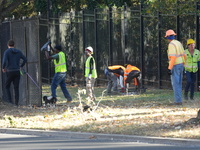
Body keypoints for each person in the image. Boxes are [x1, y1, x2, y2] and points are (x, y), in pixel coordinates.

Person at [2, 39, 27, 106]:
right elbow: (25, 59)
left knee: (7, 86)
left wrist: (3, 68)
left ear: (8, 45)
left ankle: (10, 102)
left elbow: (4, 61)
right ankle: (16, 103)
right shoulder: (18, 52)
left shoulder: (6, 52)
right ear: (14, 45)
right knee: (16, 87)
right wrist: (21, 66)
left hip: (9, 71)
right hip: (17, 71)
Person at [165, 29, 186, 105]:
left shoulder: (171, 45)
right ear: (174, 35)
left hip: (175, 65)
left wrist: (169, 68)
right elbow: (184, 54)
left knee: (175, 83)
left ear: (167, 37)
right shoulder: (178, 43)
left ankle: (178, 101)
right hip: (181, 64)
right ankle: (179, 99)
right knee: (179, 83)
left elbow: (173, 57)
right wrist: (184, 63)